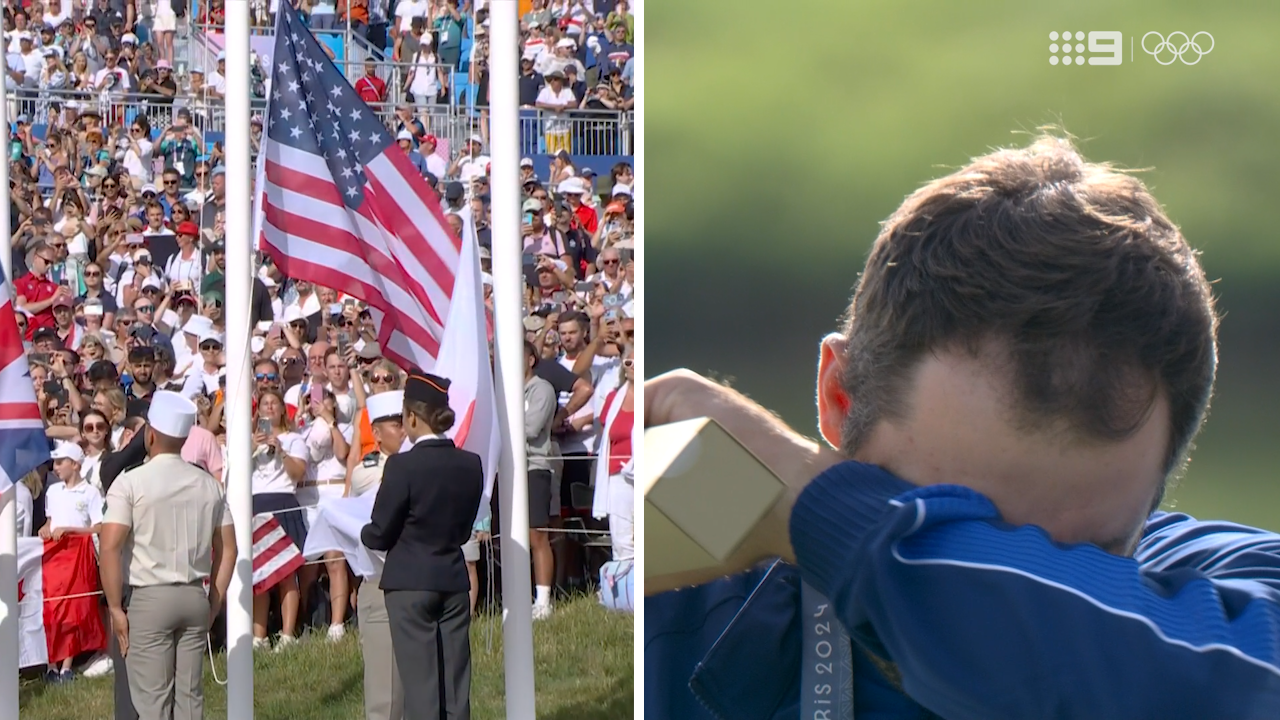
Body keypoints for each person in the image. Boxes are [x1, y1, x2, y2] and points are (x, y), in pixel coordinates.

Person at [642, 134, 1280, 719]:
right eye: (933, 512)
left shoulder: (1227, 590)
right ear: (839, 396)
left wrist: (812, 508)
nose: (989, 594)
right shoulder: (666, 620)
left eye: (1088, 559)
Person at [99, 392, 237, 720]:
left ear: (149, 435)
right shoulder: (209, 484)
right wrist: (214, 600)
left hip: (149, 598)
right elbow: (229, 547)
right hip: (193, 594)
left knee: (152, 703)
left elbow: (110, 546)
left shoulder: (130, 483)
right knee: (190, 700)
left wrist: (116, 608)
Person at [361, 372, 483, 720]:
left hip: (410, 583)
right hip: (453, 579)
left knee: (422, 690)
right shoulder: (470, 463)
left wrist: (363, 533)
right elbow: (462, 531)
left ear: (411, 417)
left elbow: (380, 531)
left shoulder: (403, 465)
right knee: (455, 688)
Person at [352, 390, 407, 720]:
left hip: (412, 580)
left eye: (404, 423)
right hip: (382, 579)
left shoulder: (410, 464)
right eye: (394, 425)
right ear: (376, 432)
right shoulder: (369, 470)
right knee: (386, 693)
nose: (403, 430)